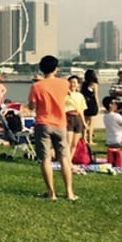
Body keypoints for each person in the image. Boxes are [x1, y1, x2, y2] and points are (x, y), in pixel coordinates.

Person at [28, 55, 77, 201]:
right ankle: (69, 193)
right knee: (64, 158)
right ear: (56, 69)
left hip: (43, 123)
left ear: (42, 69)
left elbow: (32, 106)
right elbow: (69, 96)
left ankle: (51, 193)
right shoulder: (64, 83)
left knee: (45, 159)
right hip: (60, 124)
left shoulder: (37, 86)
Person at [64, 75, 88, 158]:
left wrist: (84, 122)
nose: (72, 84)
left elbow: (81, 110)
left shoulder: (80, 96)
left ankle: (69, 160)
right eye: (70, 82)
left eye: (74, 82)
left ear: (78, 84)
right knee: (68, 142)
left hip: (77, 118)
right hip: (68, 117)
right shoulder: (64, 95)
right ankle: (66, 161)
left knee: (74, 143)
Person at [81, 69, 100, 145]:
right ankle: (90, 140)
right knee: (91, 123)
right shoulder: (94, 84)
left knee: (85, 122)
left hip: (85, 104)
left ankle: (84, 139)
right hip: (92, 104)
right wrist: (98, 105)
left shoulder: (83, 84)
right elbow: (96, 96)